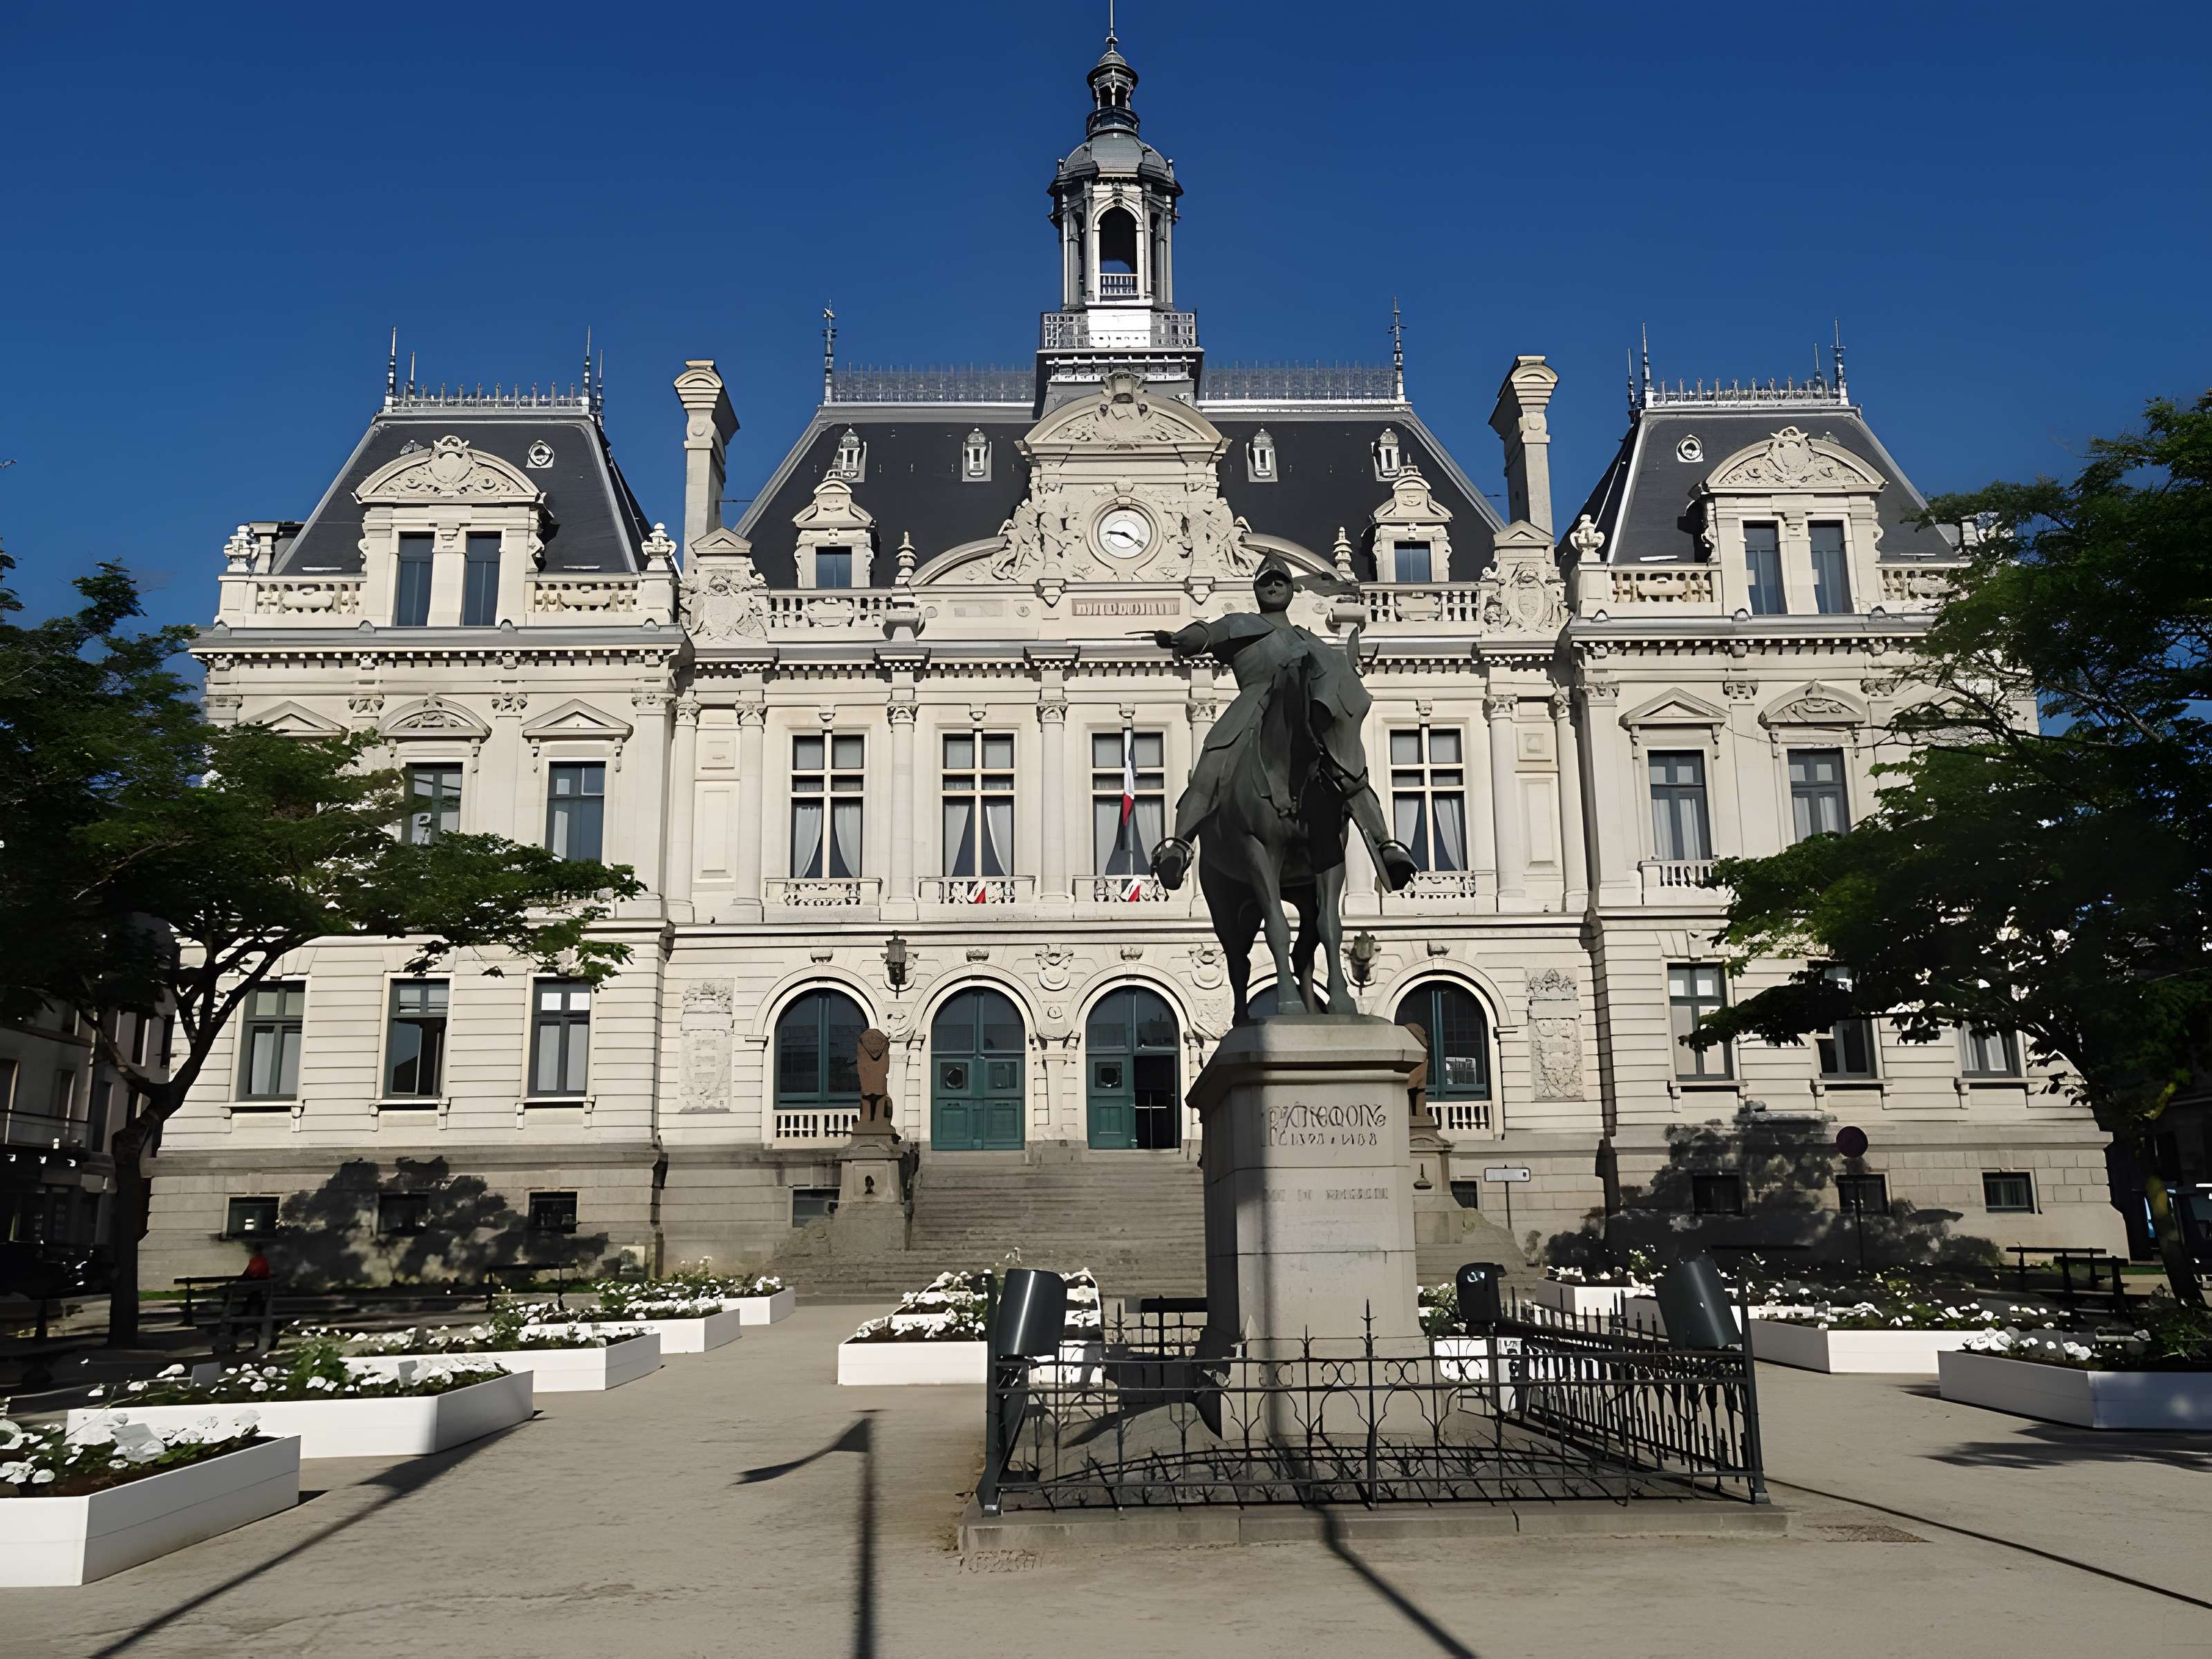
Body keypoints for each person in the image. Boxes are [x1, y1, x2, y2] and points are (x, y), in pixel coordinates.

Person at [1148, 554, 1417, 892]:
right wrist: (1180, 638)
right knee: (1211, 764)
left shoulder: (1307, 639)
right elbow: (1208, 634)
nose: (1274, 586)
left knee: (1349, 772)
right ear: (1256, 589)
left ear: (1291, 589)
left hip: (1300, 715)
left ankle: (1385, 847)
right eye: (1266, 582)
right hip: (1251, 707)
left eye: (1281, 581)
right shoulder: (1242, 624)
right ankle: (1180, 846)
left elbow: (1334, 670)